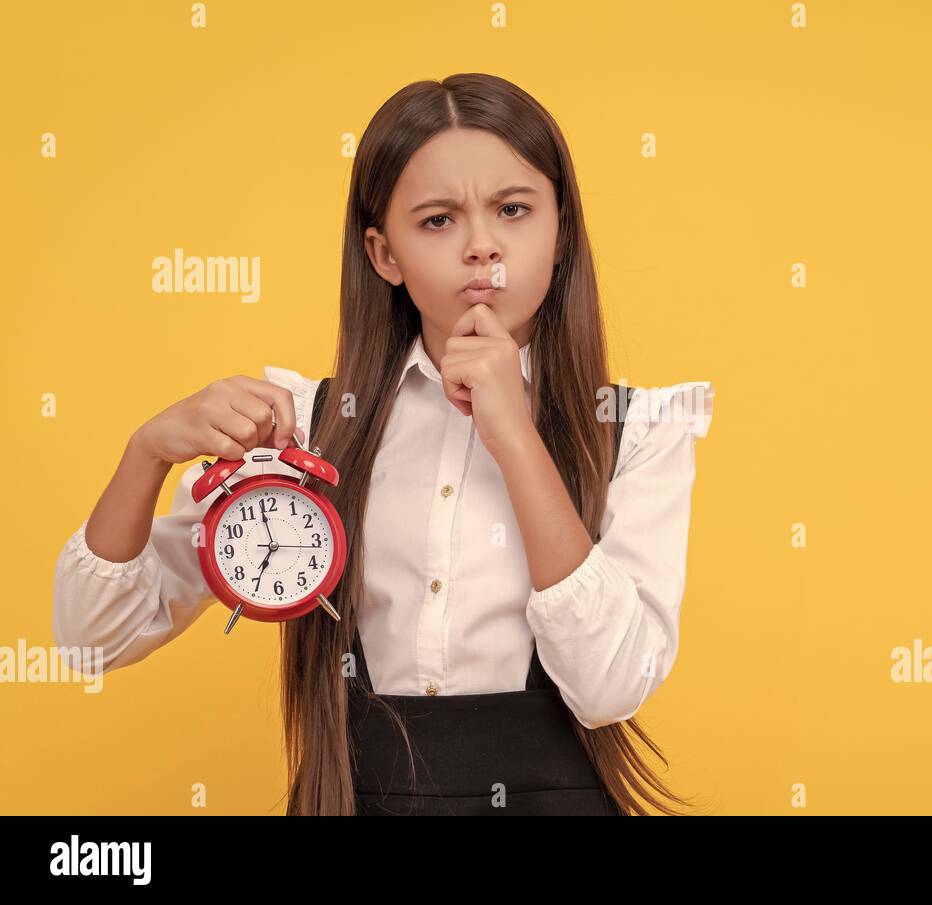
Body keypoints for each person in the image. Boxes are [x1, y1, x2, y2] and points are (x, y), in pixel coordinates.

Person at [51, 74, 714, 815]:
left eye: (514, 210)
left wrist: (516, 437)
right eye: (437, 221)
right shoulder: (307, 424)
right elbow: (91, 638)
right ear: (383, 253)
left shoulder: (637, 430)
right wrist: (145, 453)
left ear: (560, 232)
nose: (482, 246)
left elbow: (610, 686)